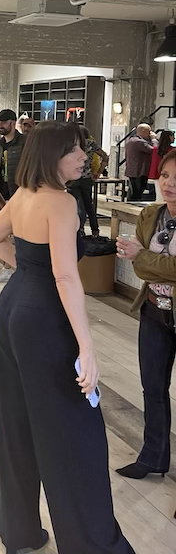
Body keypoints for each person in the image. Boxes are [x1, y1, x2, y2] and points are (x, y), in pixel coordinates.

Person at [0, 122, 134, 554]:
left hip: (13, 308)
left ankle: (20, 531)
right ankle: (92, 545)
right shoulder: (62, 202)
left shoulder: (23, 194)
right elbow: (66, 278)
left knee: (16, 421)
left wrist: (29, 272)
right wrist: (87, 347)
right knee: (74, 432)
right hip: (43, 318)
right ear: (52, 156)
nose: (84, 157)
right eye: (74, 151)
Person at [116, 147, 176, 481]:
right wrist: (154, 264)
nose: (169, 184)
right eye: (165, 175)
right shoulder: (151, 215)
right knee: (152, 388)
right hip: (153, 310)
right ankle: (153, 456)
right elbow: (139, 268)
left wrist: (145, 258)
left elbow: (141, 259)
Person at [0, 109, 25, 283]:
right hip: (0, 192)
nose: (0, 125)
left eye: (3, 122)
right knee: (3, 232)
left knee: (18, 231)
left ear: (13, 122)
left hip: (18, 193)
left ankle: (10, 267)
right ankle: (8, 267)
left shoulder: (24, 142)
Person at [69, 127, 109, 237]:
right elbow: (105, 156)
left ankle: (77, 230)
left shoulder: (72, 144)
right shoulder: (91, 144)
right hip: (87, 178)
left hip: (73, 178)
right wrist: (99, 171)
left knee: (73, 205)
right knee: (88, 205)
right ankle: (95, 230)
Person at [125, 123, 154, 201]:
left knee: (134, 192)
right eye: (149, 131)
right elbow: (153, 150)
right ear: (143, 131)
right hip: (139, 172)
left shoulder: (131, 140)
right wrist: (154, 139)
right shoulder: (139, 142)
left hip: (133, 171)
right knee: (137, 193)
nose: (150, 133)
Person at [148, 129, 174, 203]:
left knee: (159, 194)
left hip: (157, 173)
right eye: (173, 136)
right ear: (169, 137)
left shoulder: (155, 149)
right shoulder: (172, 150)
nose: (174, 138)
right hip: (168, 173)